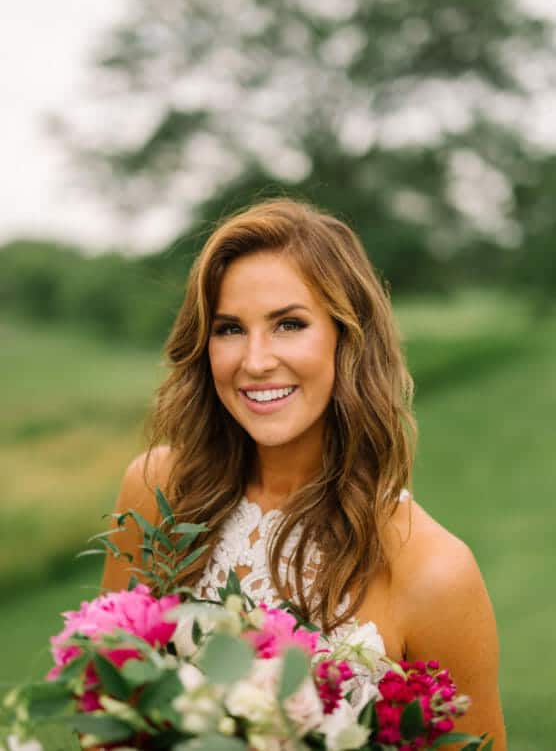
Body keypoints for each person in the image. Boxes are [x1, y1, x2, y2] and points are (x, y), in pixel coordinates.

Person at [102, 198, 506, 749]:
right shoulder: (156, 490)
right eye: (229, 329)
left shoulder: (435, 572)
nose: (256, 360)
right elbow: (105, 716)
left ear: (349, 337)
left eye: (289, 324)